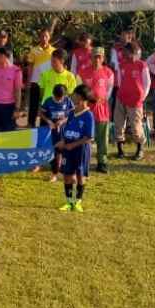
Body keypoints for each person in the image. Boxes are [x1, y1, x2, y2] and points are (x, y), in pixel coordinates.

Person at [56, 84, 97, 213]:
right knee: (67, 175)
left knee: (80, 176)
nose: (72, 96)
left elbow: (89, 137)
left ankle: (78, 202)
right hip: (68, 150)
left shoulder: (88, 115)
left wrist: (72, 145)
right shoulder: (72, 113)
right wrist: (63, 141)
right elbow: (66, 130)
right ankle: (69, 202)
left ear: (81, 97)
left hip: (81, 151)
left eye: (74, 94)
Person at [113, 42, 150, 160]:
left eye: (126, 51)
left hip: (136, 100)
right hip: (121, 97)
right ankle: (120, 150)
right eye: (124, 52)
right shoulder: (121, 64)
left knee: (136, 125)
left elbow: (147, 82)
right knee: (119, 123)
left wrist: (142, 97)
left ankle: (140, 149)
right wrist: (121, 92)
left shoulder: (142, 65)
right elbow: (119, 81)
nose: (124, 54)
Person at [80, 47, 115, 172]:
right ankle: (84, 161)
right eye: (95, 56)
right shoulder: (83, 72)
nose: (97, 59)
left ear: (103, 58)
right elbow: (80, 90)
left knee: (102, 138)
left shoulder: (108, 72)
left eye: (99, 56)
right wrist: (88, 98)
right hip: (86, 110)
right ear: (91, 58)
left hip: (102, 110)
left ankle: (102, 162)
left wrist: (101, 99)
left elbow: (109, 91)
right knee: (85, 137)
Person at [40, 84, 74, 181]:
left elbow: (72, 114)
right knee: (53, 150)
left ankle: (58, 173)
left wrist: (63, 121)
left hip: (64, 130)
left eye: (61, 98)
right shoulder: (48, 101)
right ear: (53, 94)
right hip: (51, 130)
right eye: (57, 98)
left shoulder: (68, 101)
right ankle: (53, 171)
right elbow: (41, 113)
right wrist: (49, 121)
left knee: (62, 151)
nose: (59, 100)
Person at [0, 46, 22, 133]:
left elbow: (18, 91)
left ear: (3, 56)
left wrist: (17, 109)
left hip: (8, 107)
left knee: (7, 134)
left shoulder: (16, 71)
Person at [25, 28, 55, 127]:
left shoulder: (54, 51)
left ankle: (46, 122)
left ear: (49, 37)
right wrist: (28, 81)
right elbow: (30, 66)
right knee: (33, 102)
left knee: (47, 103)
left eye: (46, 36)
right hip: (36, 80)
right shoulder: (34, 50)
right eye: (42, 36)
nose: (44, 38)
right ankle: (31, 122)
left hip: (48, 82)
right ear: (39, 37)